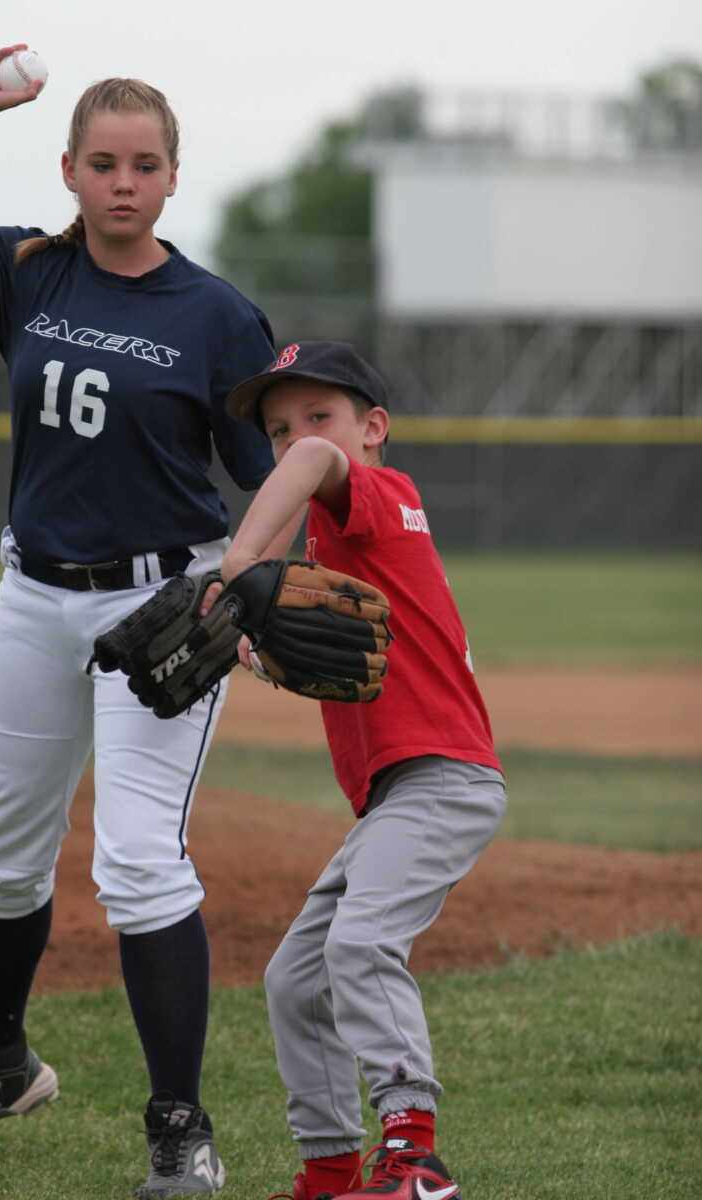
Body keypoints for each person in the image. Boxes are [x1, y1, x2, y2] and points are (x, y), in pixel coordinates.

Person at [0, 44, 290, 1199]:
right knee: (1, 849)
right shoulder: (26, 270)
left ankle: (180, 1127)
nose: (124, 182)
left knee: (136, 861)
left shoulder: (215, 315)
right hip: (34, 595)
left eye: (145, 165)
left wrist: (247, 586)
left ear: (172, 177)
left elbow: (270, 473)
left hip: (160, 602)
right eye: (104, 163)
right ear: (70, 170)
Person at [221, 341, 507, 1200]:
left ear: (373, 428)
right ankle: (330, 1169)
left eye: (320, 415)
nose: (296, 437)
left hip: (445, 777)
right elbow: (313, 649)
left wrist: (238, 567)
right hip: (397, 794)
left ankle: (415, 1158)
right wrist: (240, 641)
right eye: (277, 427)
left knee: (360, 942)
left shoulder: (382, 497)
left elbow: (315, 463)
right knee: (296, 979)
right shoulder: (332, 543)